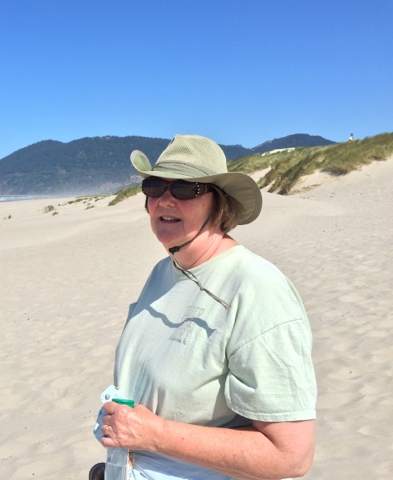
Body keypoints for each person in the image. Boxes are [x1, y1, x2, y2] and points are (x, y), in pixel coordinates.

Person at [94, 135, 317, 480]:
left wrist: (153, 434)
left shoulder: (256, 289)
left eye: (186, 188)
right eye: (154, 186)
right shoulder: (164, 271)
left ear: (220, 203)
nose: (165, 200)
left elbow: (291, 456)